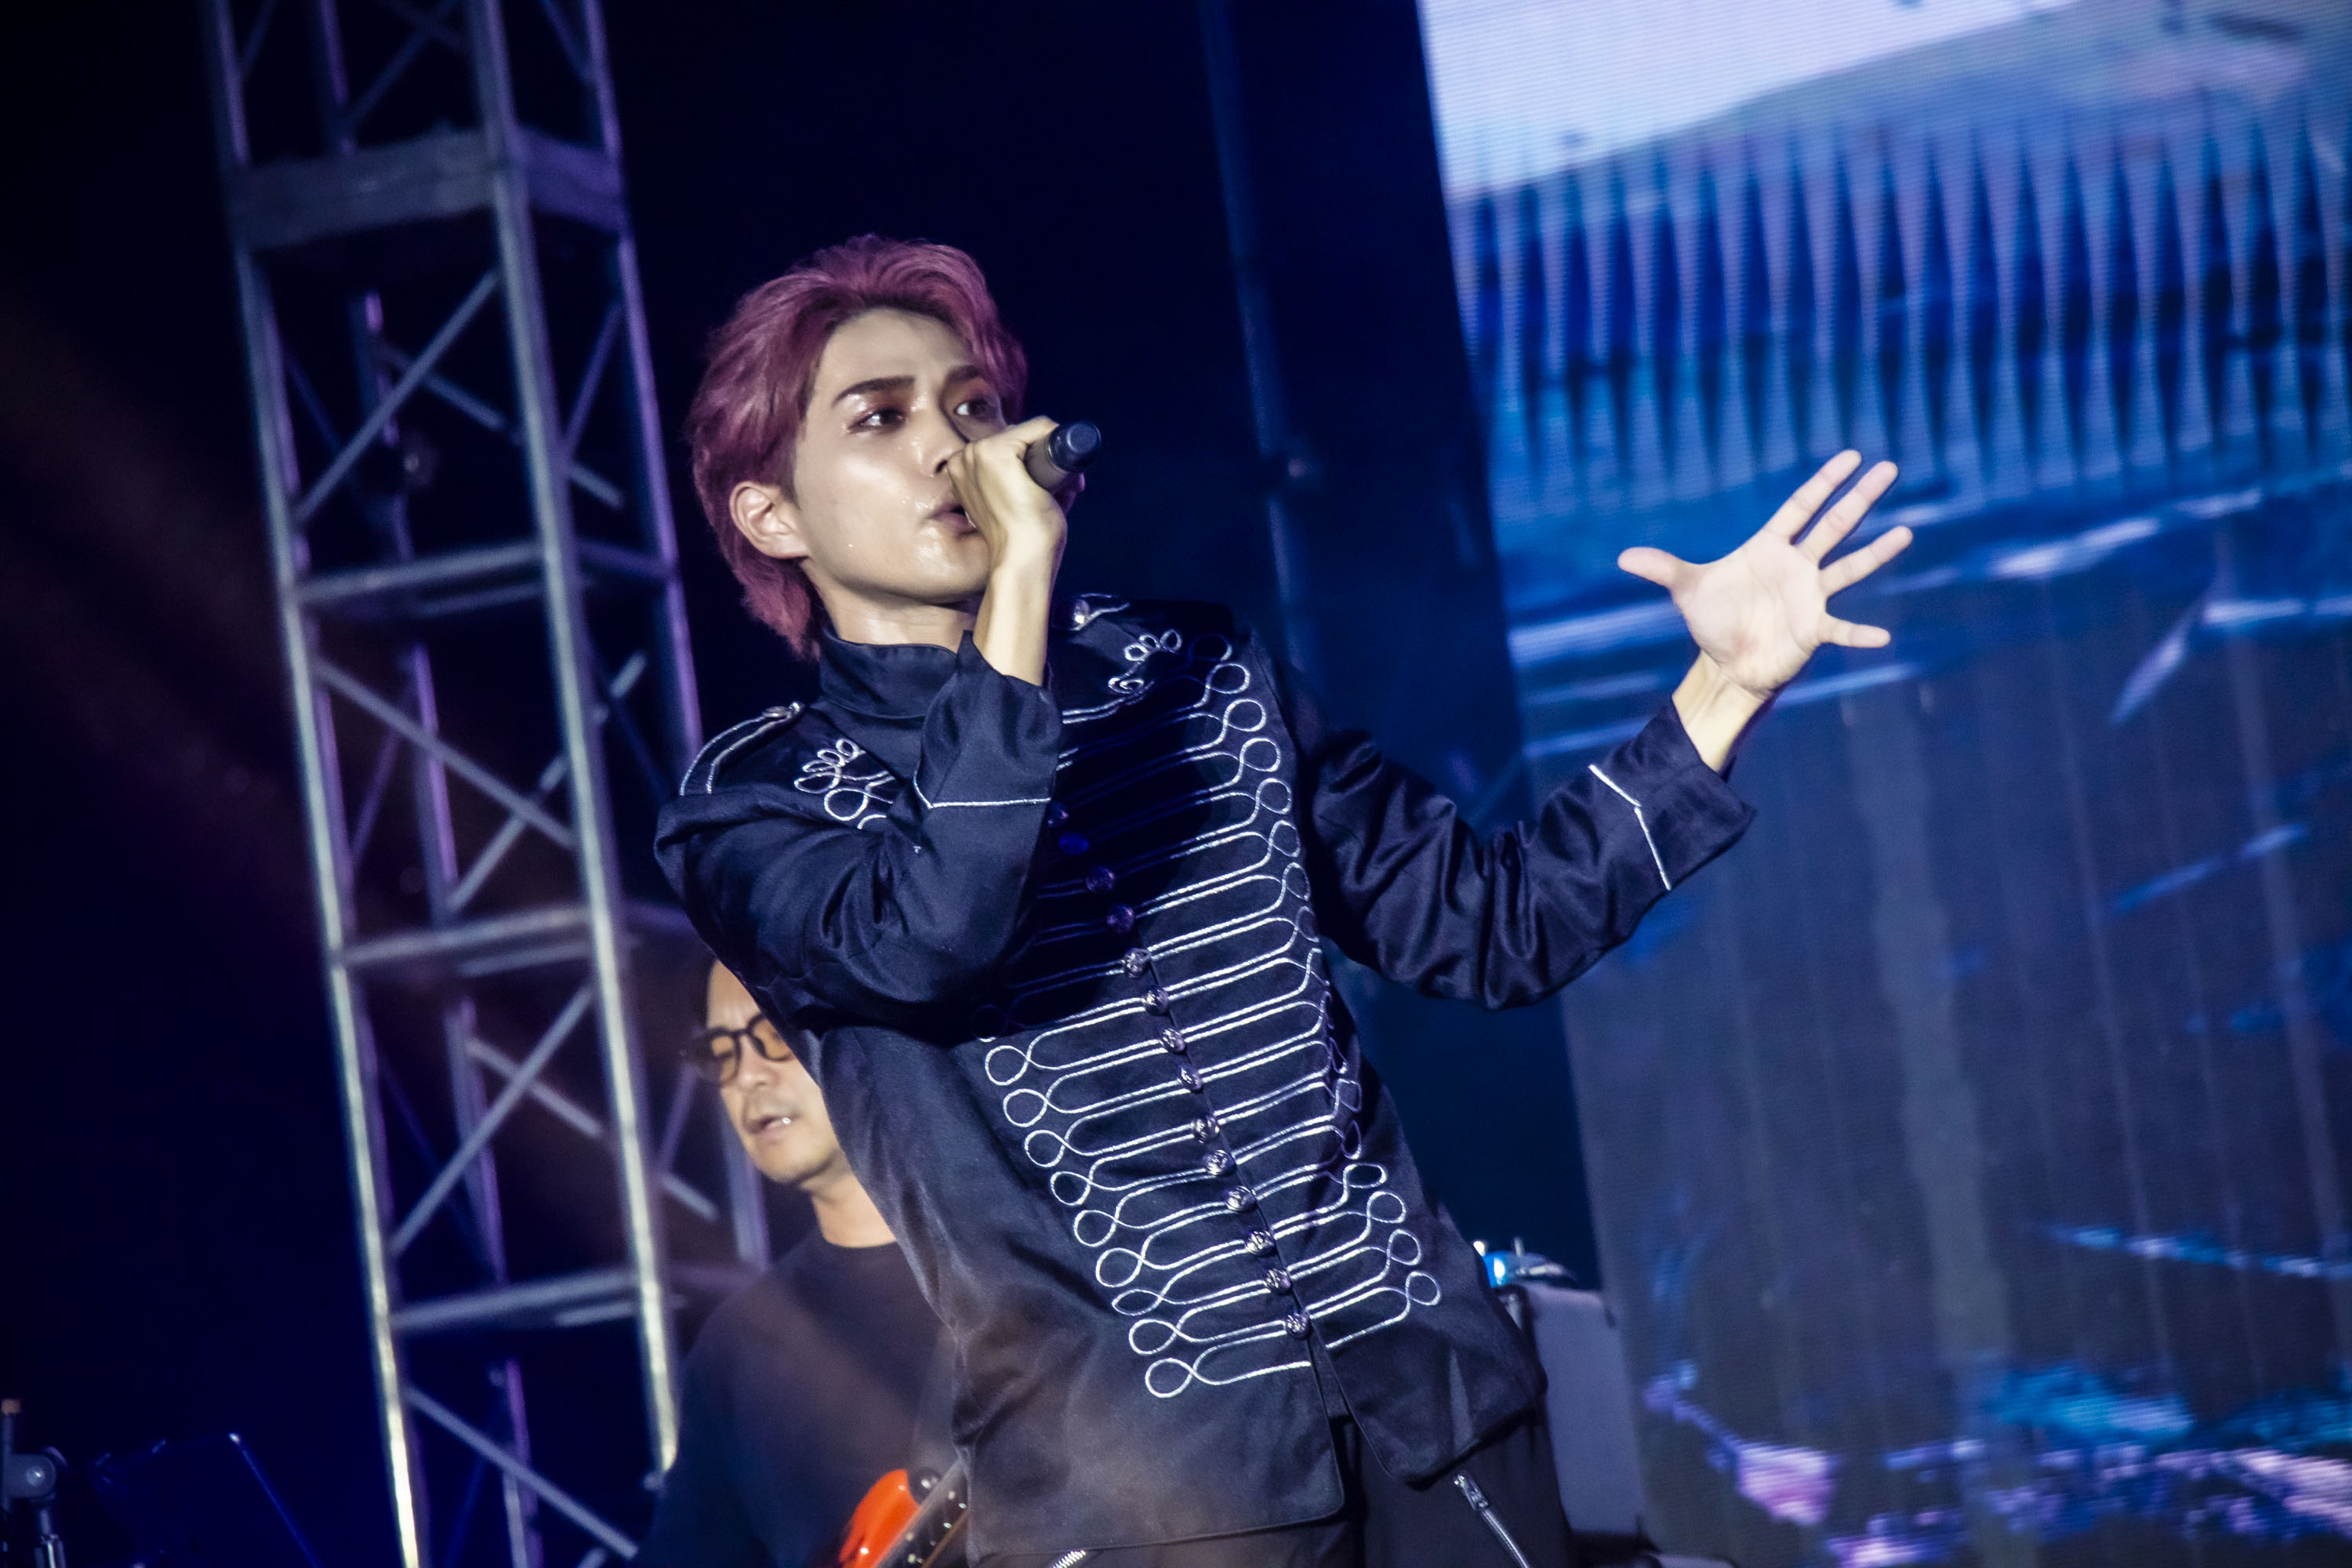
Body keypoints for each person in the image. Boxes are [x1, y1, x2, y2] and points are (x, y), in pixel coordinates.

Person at [655, 236, 1913, 1566]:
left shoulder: (1193, 671)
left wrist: (1723, 687)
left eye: (971, 404)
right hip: (1142, 1497)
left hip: (1439, 1424)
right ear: (774, 518)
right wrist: (1018, 589)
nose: (951, 447)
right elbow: (933, 937)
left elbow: (1493, 925)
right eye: (882, 419)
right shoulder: (759, 805)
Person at [637, 959, 941, 1568]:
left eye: (773, 1035)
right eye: (722, 1052)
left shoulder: (1016, 1262)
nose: (747, 1075)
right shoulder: (737, 1349)